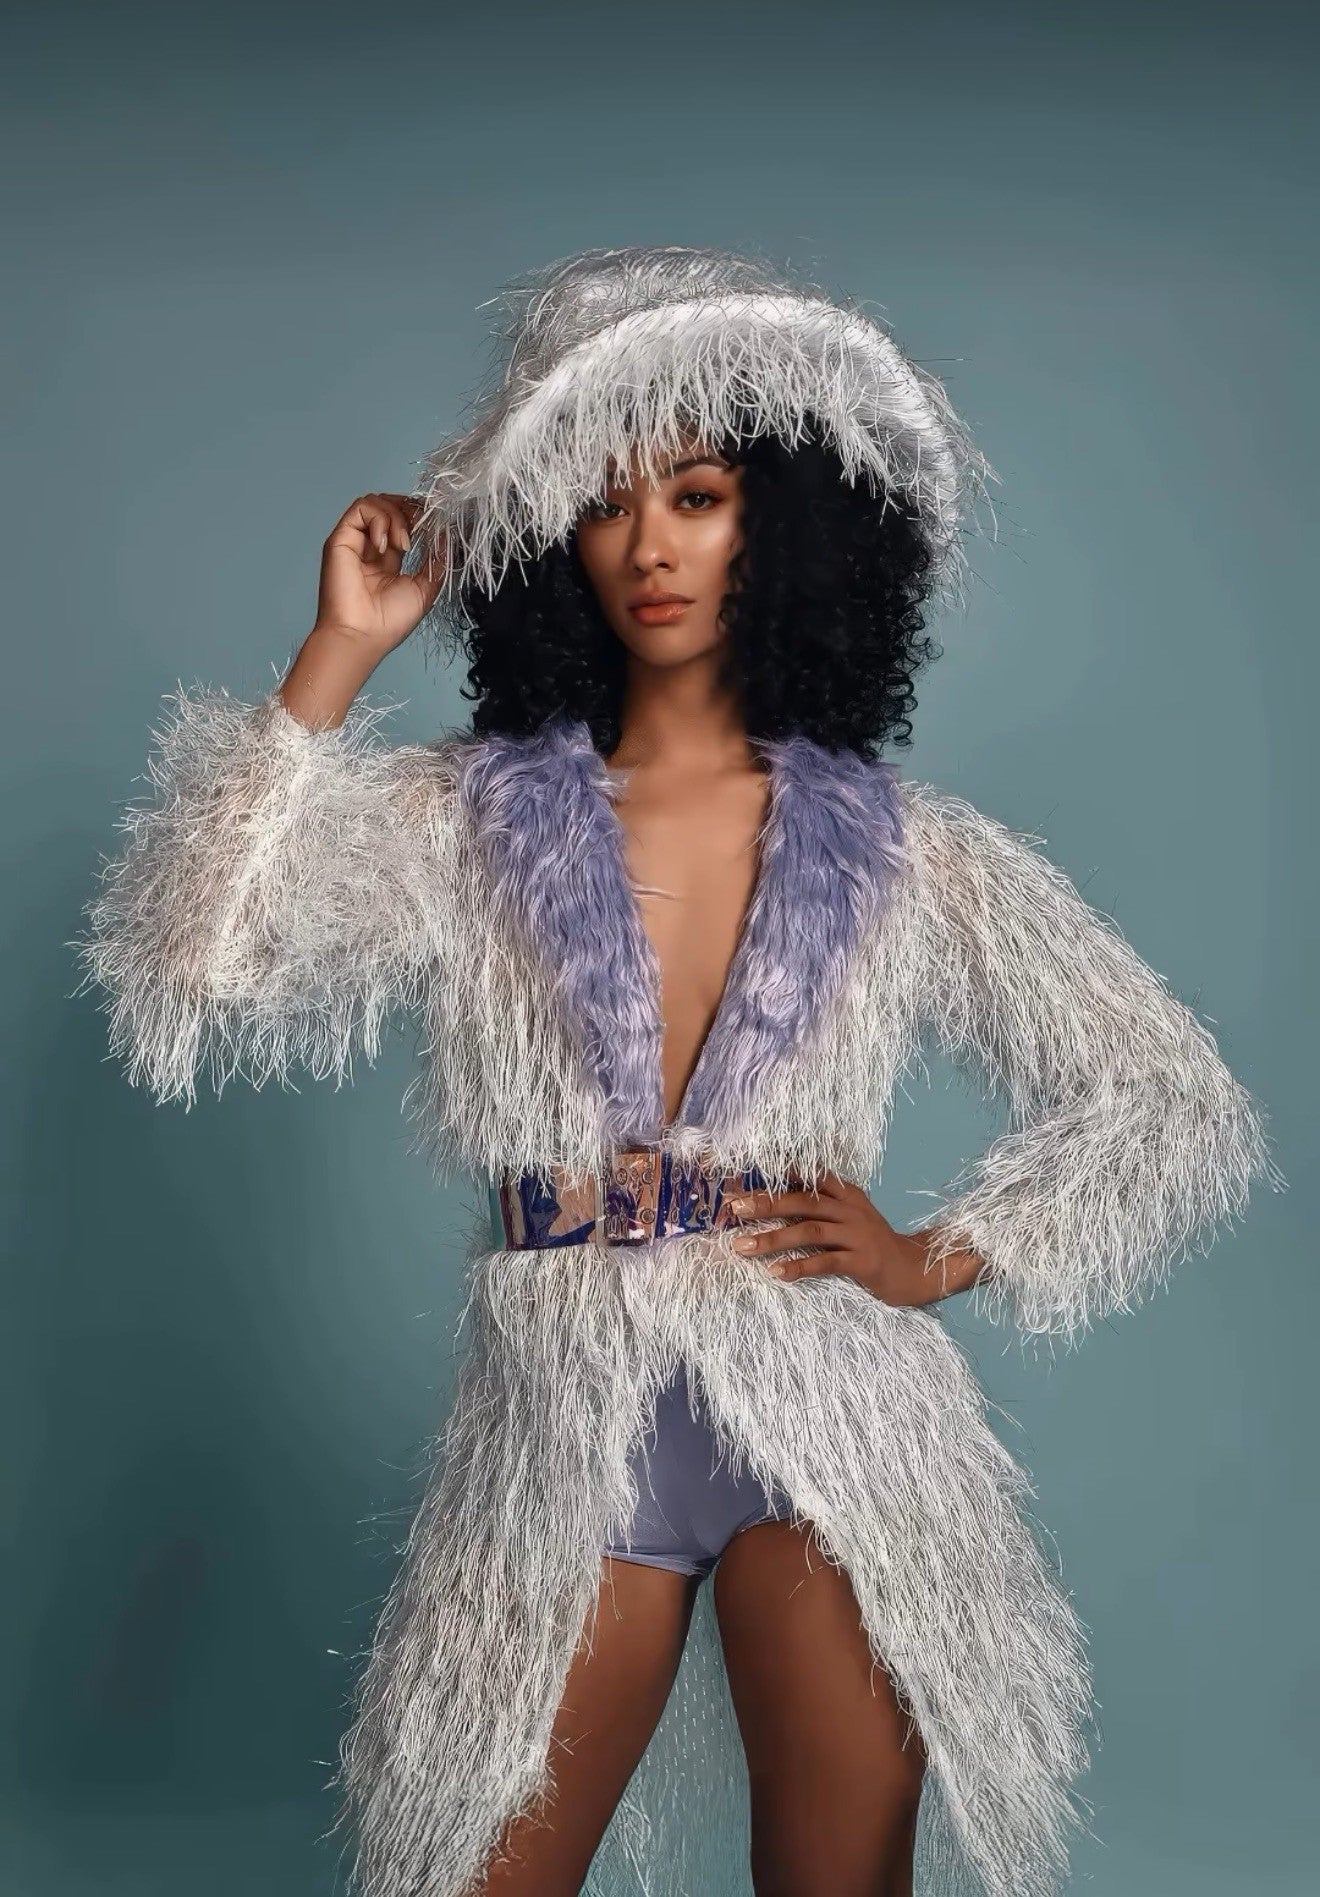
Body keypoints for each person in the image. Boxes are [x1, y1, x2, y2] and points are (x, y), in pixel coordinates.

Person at [76, 246, 1283, 1897]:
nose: (649, 545)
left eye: (698, 496)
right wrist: (337, 655)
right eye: (604, 505)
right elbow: (190, 959)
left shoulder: (913, 852)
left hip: (835, 1426)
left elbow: (1169, 1099)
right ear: (553, 547)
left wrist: (936, 1255)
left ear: (779, 528)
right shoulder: (463, 821)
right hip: (554, 1426)